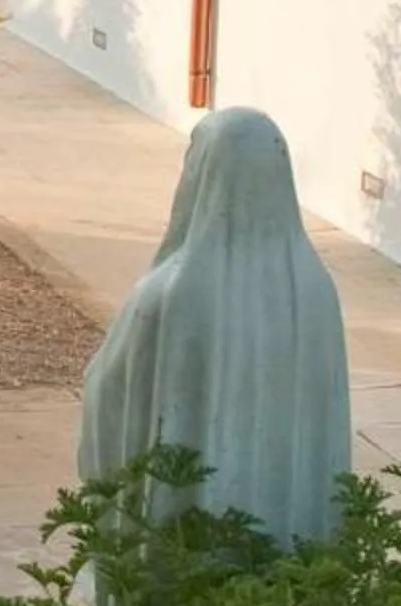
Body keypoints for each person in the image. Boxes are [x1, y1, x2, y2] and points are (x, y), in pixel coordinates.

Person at [78, 106, 351, 552]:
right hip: (292, 540)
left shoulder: (167, 295)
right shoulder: (317, 288)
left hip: (184, 541)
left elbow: (111, 400)